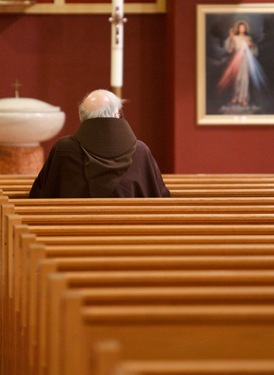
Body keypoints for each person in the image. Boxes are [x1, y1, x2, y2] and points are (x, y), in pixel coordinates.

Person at [29, 89, 170, 198]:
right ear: (116, 116)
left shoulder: (63, 149)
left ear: (82, 118)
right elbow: (159, 197)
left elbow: (41, 194)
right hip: (130, 233)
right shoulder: (140, 151)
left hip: (73, 233)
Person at [218, 21, 263, 107]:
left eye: (243, 27)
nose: (242, 29)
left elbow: (254, 52)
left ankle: (244, 98)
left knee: (244, 79)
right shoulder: (235, 37)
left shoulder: (248, 38)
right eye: (240, 27)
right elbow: (230, 49)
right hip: (236, 60)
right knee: (236, 79)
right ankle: (236, 97)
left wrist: (252, 45)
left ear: (245, 29)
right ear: (238, 28)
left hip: (245, 60)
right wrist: (231, 37)